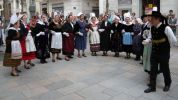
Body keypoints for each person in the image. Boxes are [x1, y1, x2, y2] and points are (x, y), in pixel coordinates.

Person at [144, 10, 177, 93]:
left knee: (165, 69)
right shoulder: (152, 27)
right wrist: (147, 41)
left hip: (164, 53)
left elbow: (174, 40)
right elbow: (150, 37)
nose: (150, 20)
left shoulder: (166, 28)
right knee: (153, 69)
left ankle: (167, 84)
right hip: (154, 52)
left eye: (151, 19)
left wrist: (167, 47)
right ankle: (152, 86)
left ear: (157, 19)